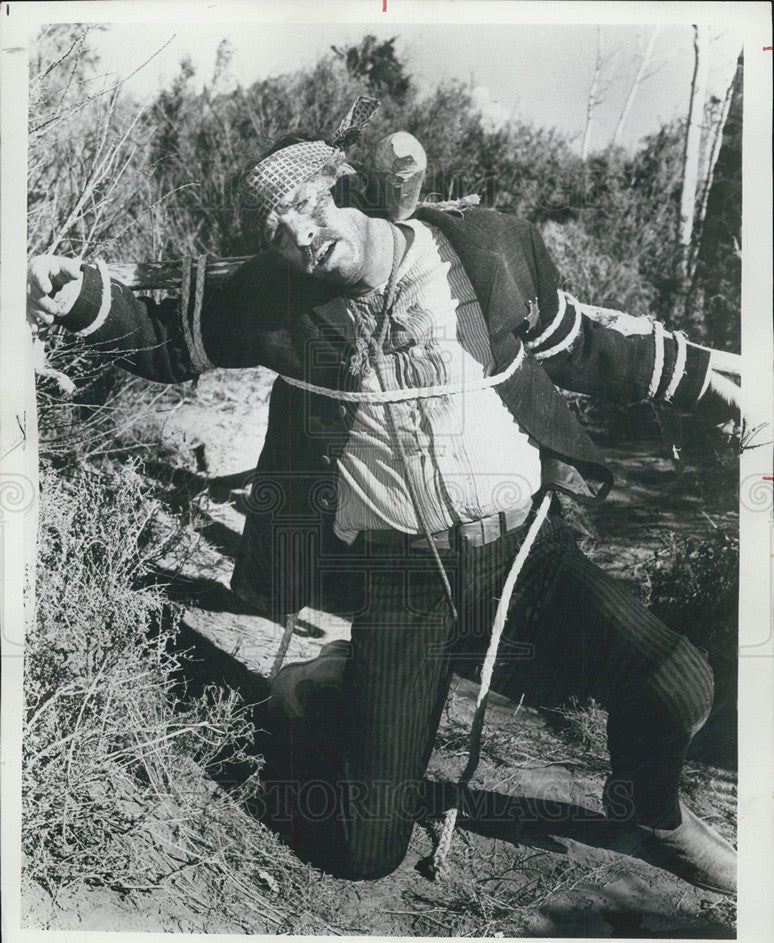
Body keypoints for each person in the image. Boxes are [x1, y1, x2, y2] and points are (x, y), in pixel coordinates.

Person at [27, 112, 740, 894]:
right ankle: (332, 683)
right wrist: (79, 296)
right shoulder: (277, 298)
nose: (300, 235)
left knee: (676, 679)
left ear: (349, 188)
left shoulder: (484, 248)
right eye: (276, 228)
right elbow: (172, 339)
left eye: (309, 204)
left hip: (523, 554)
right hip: (401, 583)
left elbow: (578, 342)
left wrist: (708, 386)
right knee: (361, 852)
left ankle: (650, 811)